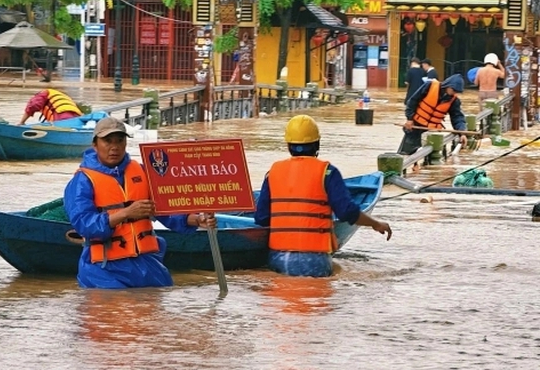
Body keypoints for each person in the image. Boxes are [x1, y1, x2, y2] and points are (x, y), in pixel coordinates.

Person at [63, 116, 216, 289]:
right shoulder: (82, 181)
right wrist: (126, 213)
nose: (114, 147)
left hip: (147, 263)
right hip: (103, 269)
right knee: (111, 311)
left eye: (119, 140)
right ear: (95, 145)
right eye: (107, 141)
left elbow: (165, 209)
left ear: (126, 143)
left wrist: (196, 220)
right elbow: (84, 225)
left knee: (154, 310)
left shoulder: (143, 171)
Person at [253, 115, 392, 278]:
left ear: (289, 145)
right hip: (313, 259)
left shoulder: (273, 173)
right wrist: (375, 224)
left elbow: (261, 218)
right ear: (317, 144)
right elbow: (347, 212)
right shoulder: (328, 172)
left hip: (277, 257)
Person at [398, 74, 468, 155]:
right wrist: (409, 119)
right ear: (448, 85)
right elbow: (413, 101)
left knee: (428, 155)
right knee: (406, 153)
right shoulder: (429, 86)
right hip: (415, 126)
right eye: (453, 90)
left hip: (431, 131)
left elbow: (457, 117)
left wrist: (462, 133)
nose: (454, 93)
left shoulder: (454, 101)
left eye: (456, 92)